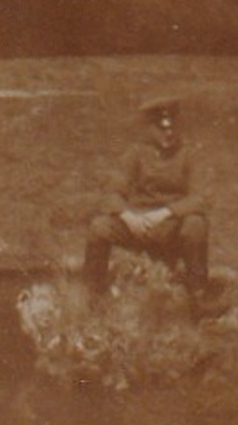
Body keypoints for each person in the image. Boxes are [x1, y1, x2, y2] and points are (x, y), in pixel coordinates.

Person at [83, 95, 226, 318]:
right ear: (150, 129)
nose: (167, 134)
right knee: (99, 226)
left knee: (196, 224)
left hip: (171, 227)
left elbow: (201, 197)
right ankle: (94, 296)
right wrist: (128, 216)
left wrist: (166, 212)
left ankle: (199, 298)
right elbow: (111, 193)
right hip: (138, 225)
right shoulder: (135, 154)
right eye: (161, 128)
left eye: (172, 128)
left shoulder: (189, 155)